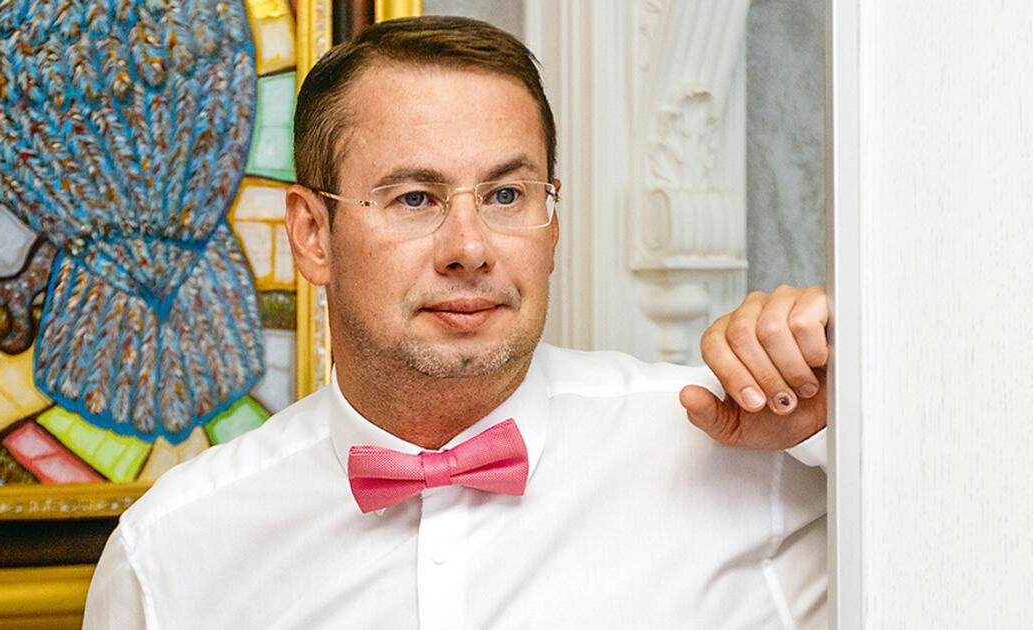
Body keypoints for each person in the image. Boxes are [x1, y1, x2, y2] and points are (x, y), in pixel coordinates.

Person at [83, 16, 830, 629]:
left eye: (507, 195)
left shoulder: (752, 456)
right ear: (312, 235)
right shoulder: (170, 558)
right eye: (414, 198)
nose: (469, 249)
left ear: (552, 225)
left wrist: (845, 392)